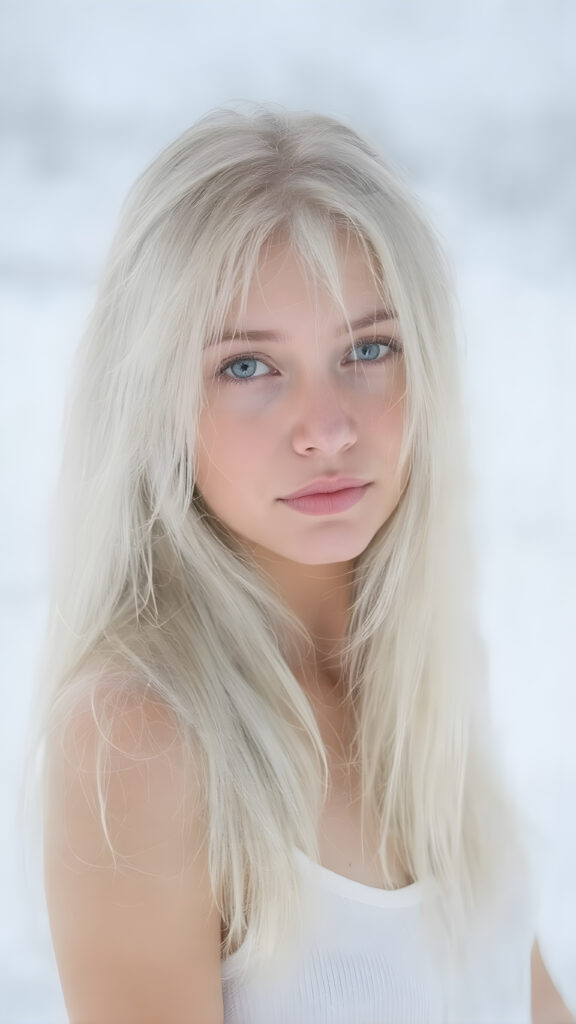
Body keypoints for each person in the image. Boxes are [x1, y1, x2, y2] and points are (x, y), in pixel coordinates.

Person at [19, 102, 574, 1024]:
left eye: (369, 348)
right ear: (153, 400)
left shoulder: (418, 654)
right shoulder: (140, 739)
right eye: (248, 367)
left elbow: (518, 992)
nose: (328, 428)